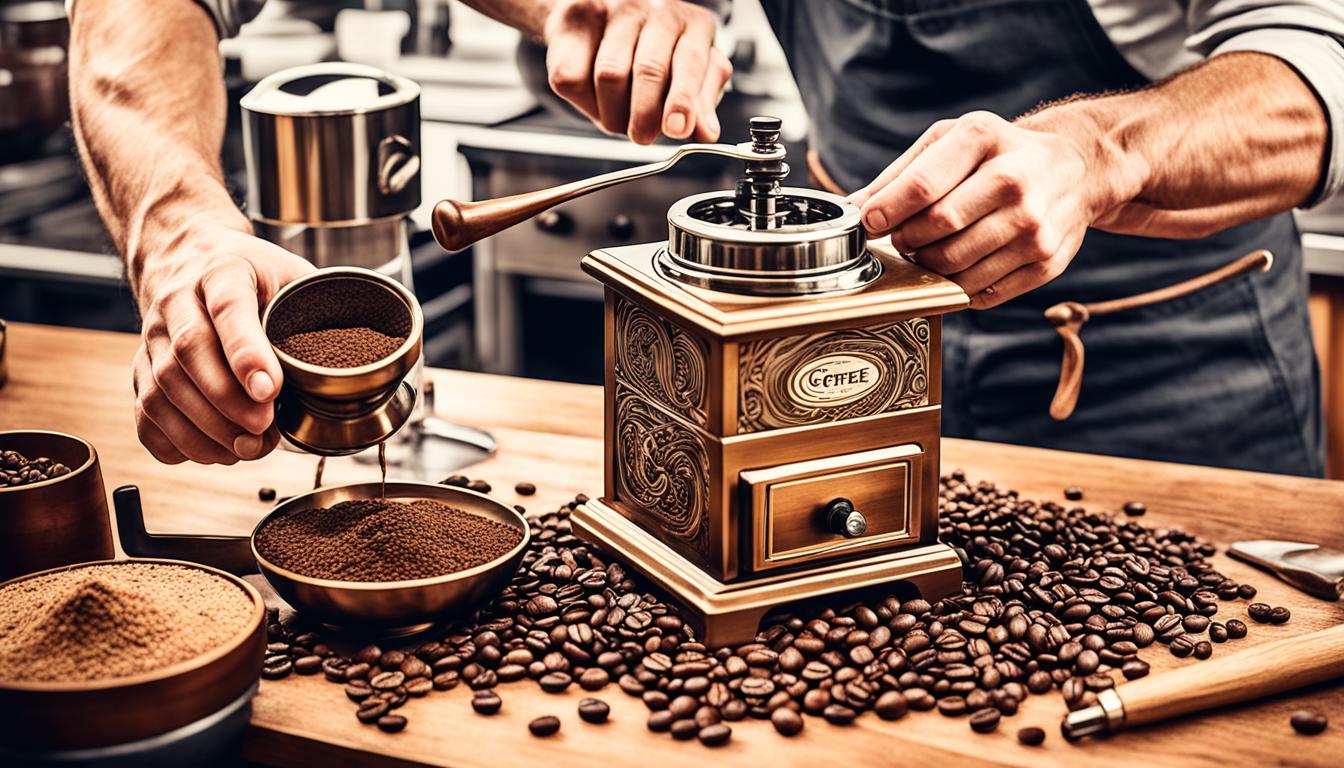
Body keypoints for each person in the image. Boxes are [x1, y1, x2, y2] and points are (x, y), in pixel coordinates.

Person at [69, 0, 1342, 476]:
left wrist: (1097, 152)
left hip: (1173, 357)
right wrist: (180, 233)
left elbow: (1312, 68)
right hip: (856, 335)